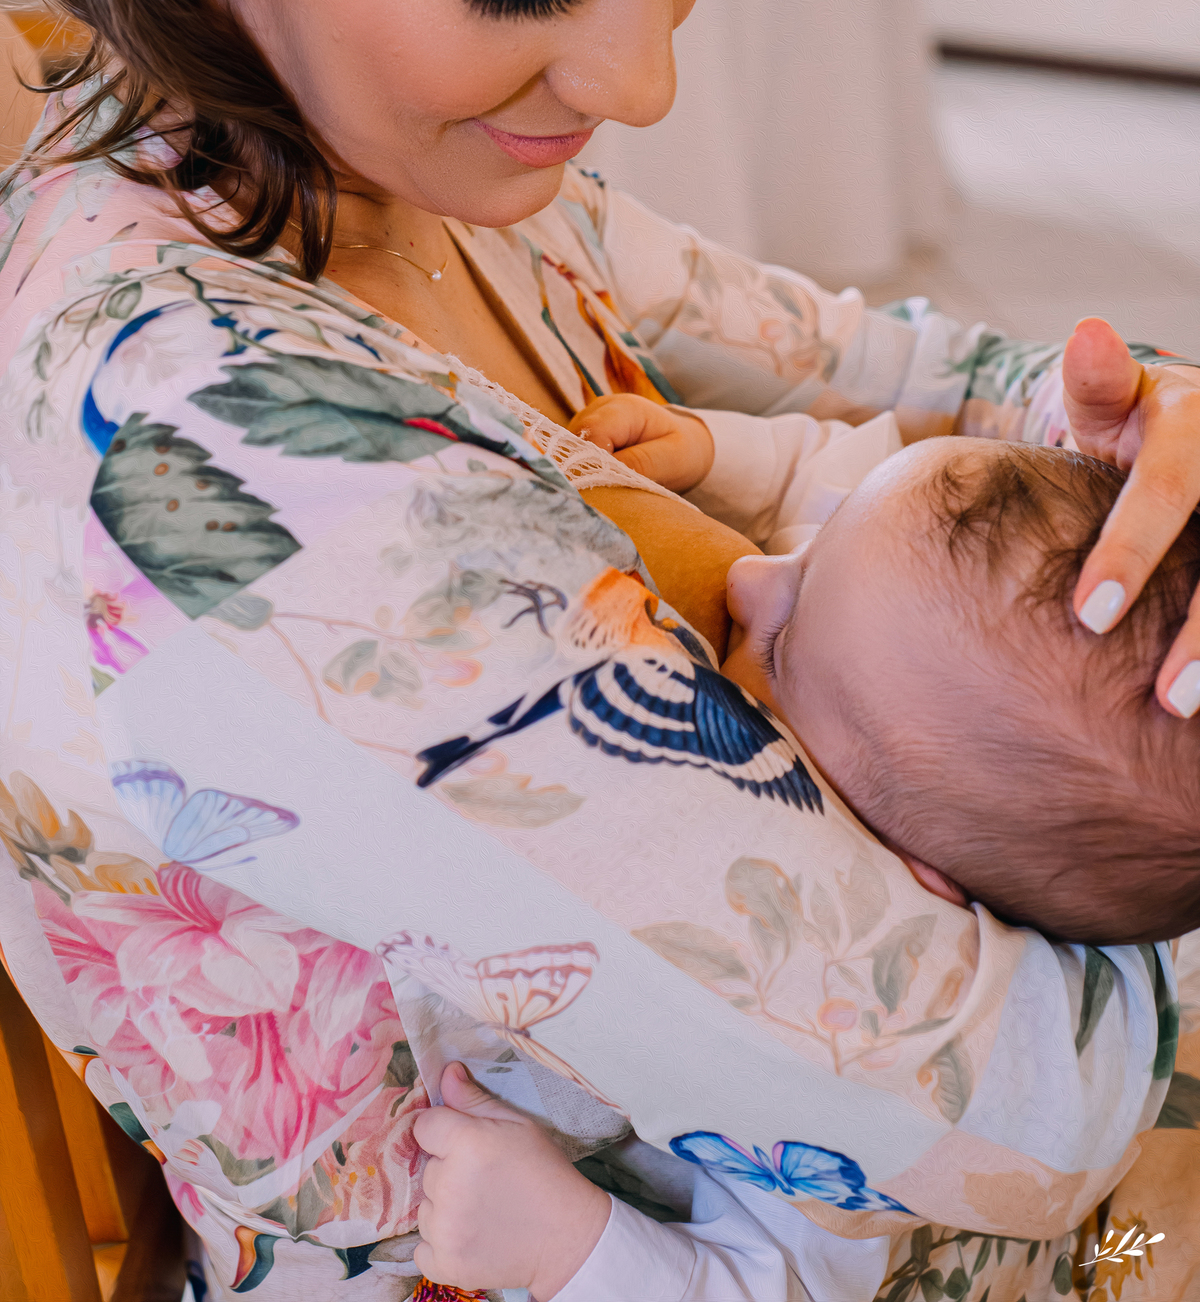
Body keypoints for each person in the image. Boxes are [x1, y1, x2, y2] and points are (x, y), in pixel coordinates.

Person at [3, 0, 1200, 1298]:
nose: (639, 79)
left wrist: (1142, 427)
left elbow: (909, 365)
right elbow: (1027, 1117)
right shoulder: (227, 460)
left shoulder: (407, 165)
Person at [403, 439, 1200, 1298]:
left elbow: (783, 1283)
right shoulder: (906, 684)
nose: (749, 576)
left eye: (778, 648)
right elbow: (863, 489)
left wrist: (568, 1247)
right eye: (816, 538)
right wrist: (719, 453)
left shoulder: (864, 1072)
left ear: (896, 883)